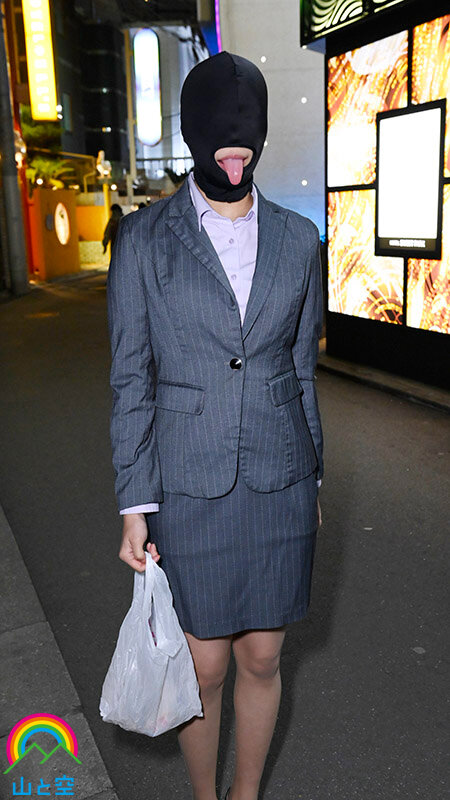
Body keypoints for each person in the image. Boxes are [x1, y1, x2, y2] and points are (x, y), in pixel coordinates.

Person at [106, 52, 323, 800]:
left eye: (247, 134)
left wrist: (314, 477)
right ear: (192, 134)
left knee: (264, 656)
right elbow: (131, 378)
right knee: (204, 665)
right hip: (188, 483)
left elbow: (301, 371)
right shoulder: (144, 241)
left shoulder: (300, 240)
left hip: (280, 476)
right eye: (219, 135)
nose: (235, 150)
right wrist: (135, 504)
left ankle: (245, 794)